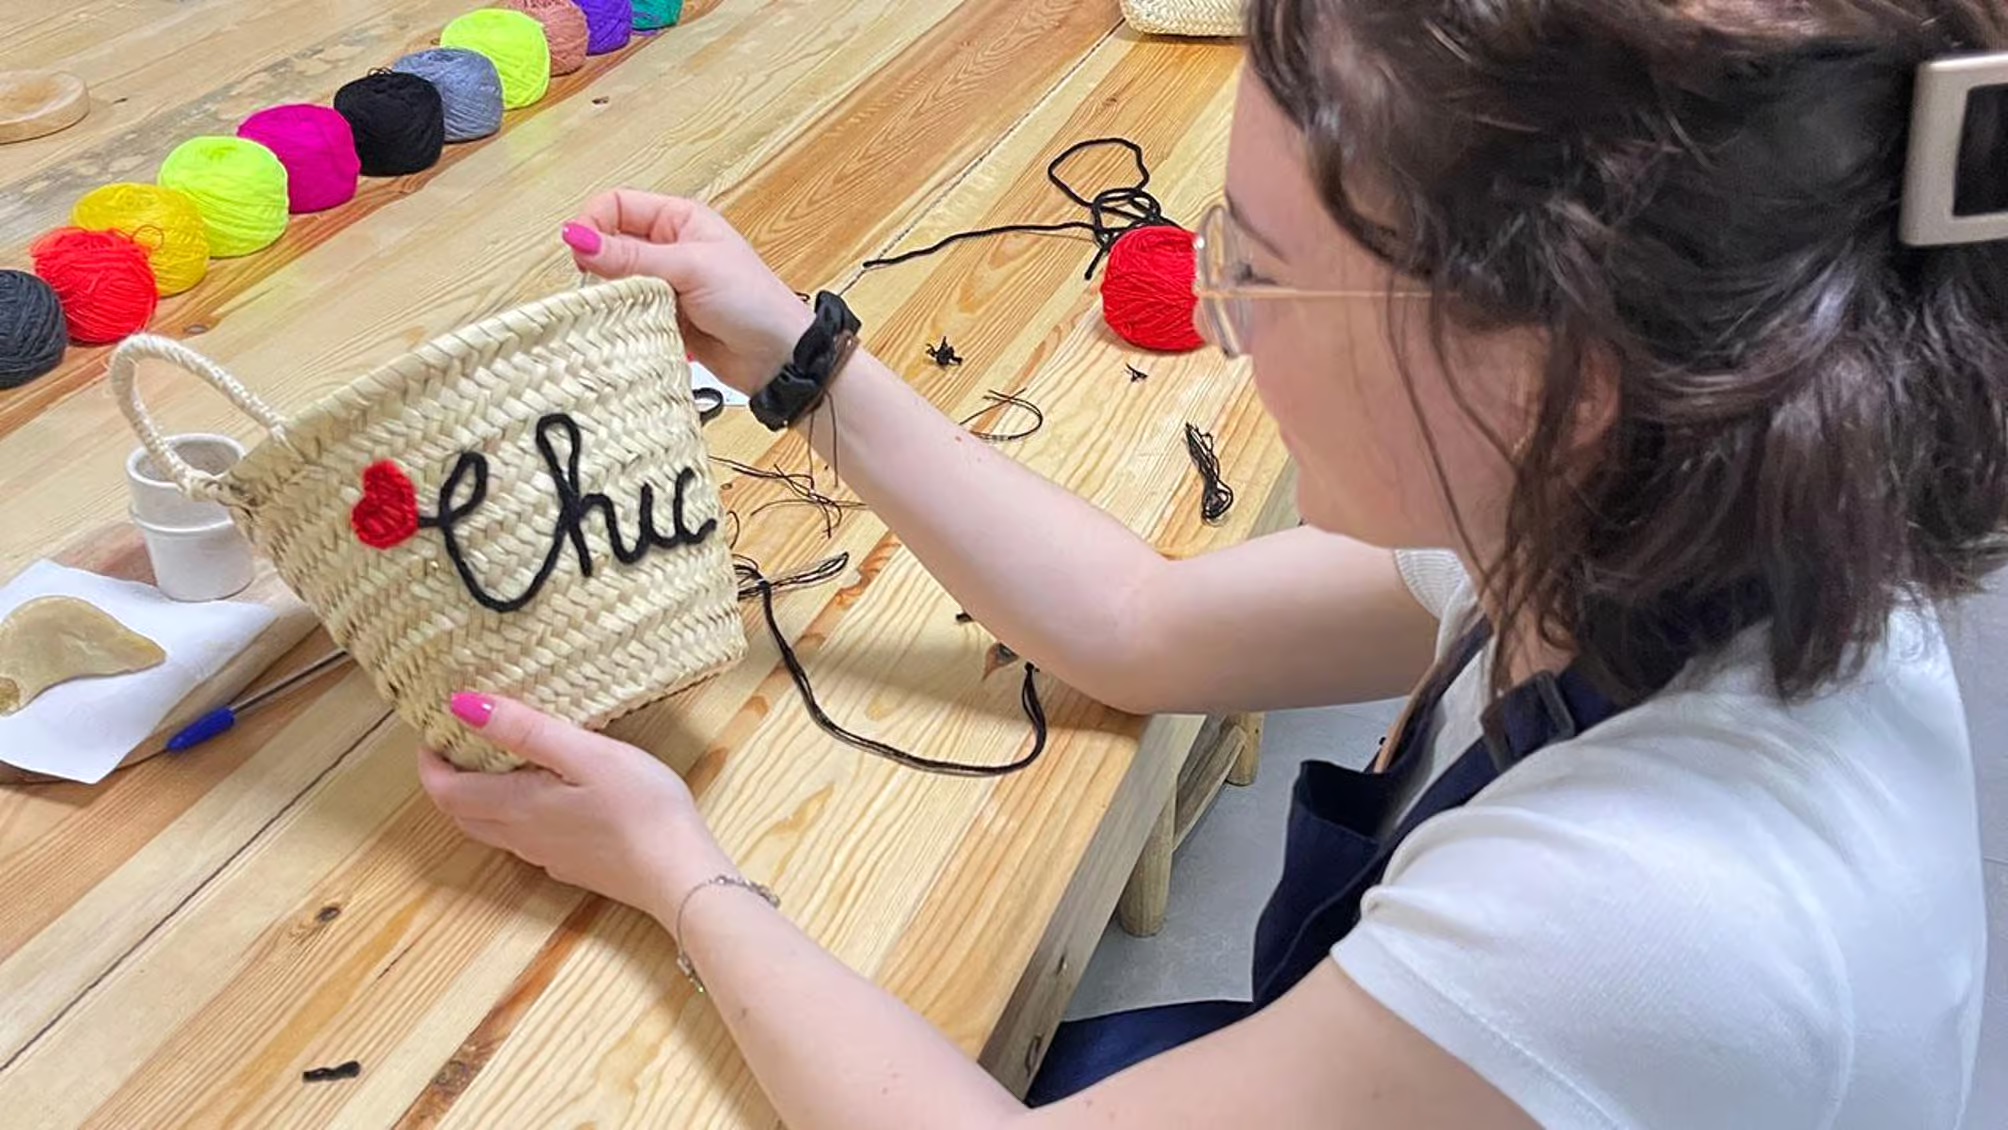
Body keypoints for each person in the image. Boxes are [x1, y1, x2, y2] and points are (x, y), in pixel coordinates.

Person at [418, 1, 2005, 1125]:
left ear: (1553, 367)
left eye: (1260, 268)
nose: (1227, 319)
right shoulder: (1641, 514)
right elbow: (1141, 625)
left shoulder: (1643, 914)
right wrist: (803, 356)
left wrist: (679, 870)